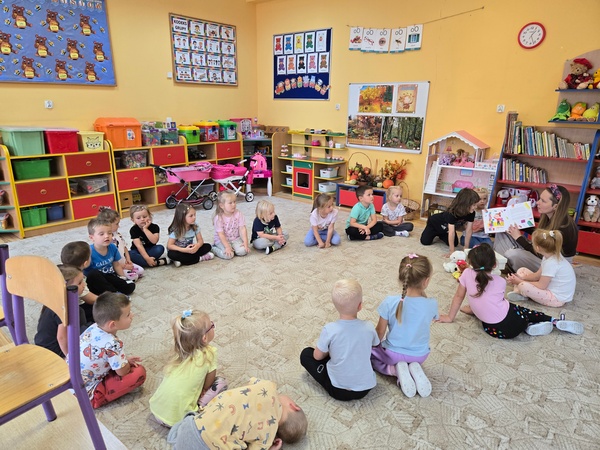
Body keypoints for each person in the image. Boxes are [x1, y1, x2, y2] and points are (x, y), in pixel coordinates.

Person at [438, 243, 583, 337]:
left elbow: (459, 297)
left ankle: (530, 326)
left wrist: (451, 317)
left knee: (513, 312)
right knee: (523, 311)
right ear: (495, 265)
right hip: (509, 326)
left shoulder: (466, 274)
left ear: (469, 263)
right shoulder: (500, 281)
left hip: (491, 329)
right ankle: (552, 321)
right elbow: (495, 303)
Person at [167, 377, 307, 450]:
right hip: (211, 446)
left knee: (196, 415)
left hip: (190, 428)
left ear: (294, 406)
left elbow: (251, 382)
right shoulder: (267, 436)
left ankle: (176, 437)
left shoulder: (269, 387)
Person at [371, 254, 438, 398]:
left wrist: (370, 347)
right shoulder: (432, 304)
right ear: (426, 281)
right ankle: (413, 367)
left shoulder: (390, 302)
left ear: (401, 278)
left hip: (392, 355)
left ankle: (394, 370)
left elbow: (379, 333)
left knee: (372, 356)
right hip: (420, 355)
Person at [300, 279, 380, 401]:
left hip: (337, 390)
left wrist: (330, 352)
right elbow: (375, 345)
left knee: (306, 354)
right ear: (360, 306)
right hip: (364, 389)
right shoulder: (369, 327)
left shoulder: (330, 329)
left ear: (335, 306)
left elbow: (317, 356)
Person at [149, 310, 227, 427]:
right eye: (212, 325)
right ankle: (199, 407)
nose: (213, 326)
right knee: (221, 382)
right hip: (179, 420)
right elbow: (209, 381)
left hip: (156, 411)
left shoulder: (180, 353)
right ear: (204, 338)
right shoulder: (209, 353)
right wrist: (204, 390)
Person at [76, 292, 146, 408]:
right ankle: (99, 398)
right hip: (87, 394)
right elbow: (122, 372)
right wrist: (125, 363)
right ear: (113, 324)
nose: (132, 315)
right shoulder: (113, 344)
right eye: (128, 314)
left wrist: (123, 360)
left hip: (71, 381)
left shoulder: (92, 327)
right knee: (139, 372)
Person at [494, 185, 578, 273]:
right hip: (544, 256)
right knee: (503, 230)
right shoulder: (549, 216)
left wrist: (518, 238)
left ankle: (506, 264)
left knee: (513, 254)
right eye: (540, 199)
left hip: (555, 264)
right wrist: (520, 225)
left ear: (556, 206)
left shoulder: (563, 227)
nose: (538, 202)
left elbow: (542, 253)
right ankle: (504, 263)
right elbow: (540, 235)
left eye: (543, 201)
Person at [506, 229, 577, 308]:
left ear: (537, 248)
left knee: (523, 285)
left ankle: (520, 291)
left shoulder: (551, 263)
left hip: (557, 299)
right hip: (548, 285)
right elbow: (537, 276)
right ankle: (520, 291)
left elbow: (541, 285)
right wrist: (521, 278)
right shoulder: (548, 256)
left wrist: (519, 281)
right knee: (522, 270)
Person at [34, 265, 93, 358]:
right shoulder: (64, 308)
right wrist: (70, 359)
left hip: (44, 345)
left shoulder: (54, 300)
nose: (84, 285)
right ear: (65, 287)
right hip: (54, 351)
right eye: (80, 282)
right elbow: (61, 338)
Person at [420, 187, 480, 257]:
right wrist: (452, 251)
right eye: (474, 205)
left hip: (446, 229)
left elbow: (469, 230)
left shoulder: (471, 213)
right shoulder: (452, 212)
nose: (476, 207)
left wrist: (466, 247)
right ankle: (437, 233)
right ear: (465, 204)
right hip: (434, 224)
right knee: (425, 242)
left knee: (455, 243)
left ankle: (441, 234)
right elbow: (451, 232)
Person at [84, 218, 136, 296]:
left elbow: (116, 265)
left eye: (109, 233)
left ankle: (112, 292)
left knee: (130, 287)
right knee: (94, 274)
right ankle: (113, 295)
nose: (107, 236)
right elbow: (85, 273)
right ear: (92, 237)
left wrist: (123, 278)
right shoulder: (88, 252)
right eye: (101, 234)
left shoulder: (112, 247)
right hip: (96, 282)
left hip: (110, 277)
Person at [97, 206, 144, 281]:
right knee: (133, 277)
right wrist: (123, 266)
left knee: (141, 271)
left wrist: (128, 260)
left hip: (124, 262)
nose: (119, 226)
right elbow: (111, 260)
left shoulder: (118, 235)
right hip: (116, 267)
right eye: (117, 224)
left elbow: (125, 248)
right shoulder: (107, 240)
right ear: (108, 225)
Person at [60, 240, 98, 323]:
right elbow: (91, 299)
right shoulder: (76, 279)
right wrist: (107, 301)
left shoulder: (61, 270)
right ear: (85, 263)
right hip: (77, 308)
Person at [212, 190, 249, 259]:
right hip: (221, 240)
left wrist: (245, 242)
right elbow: (221, 234)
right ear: (222, 205)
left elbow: (242, 228)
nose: (234, 205)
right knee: (229, 255)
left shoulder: (238, 213)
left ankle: (233, 248)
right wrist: (227, 247)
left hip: (235, 239)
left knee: (243, 251)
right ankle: (213, 248)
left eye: (234, 202)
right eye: (230, 203)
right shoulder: (218, 218)